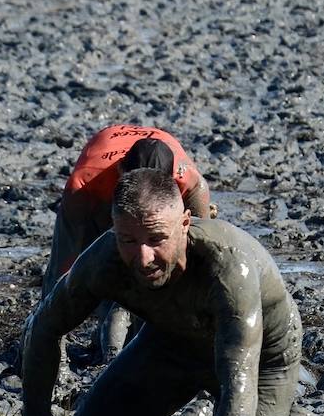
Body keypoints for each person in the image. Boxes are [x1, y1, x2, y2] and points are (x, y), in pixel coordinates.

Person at [14, 168, 307, 416]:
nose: (143, 258)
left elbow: (239, 381)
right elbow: (42, 328)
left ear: (185, 224)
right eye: (128, 240)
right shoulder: (103, 261)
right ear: (114, 229)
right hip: (173, 343)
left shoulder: (227, 267)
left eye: (157, 239)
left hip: (262, 360)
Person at [43, 125, 215, 360]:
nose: (143, 202)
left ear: (171, 182)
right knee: (95, 262)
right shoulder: (84, 185)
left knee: (187, 257)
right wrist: (51, 343)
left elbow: (202, 257)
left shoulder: (190, 181)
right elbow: (63, 265)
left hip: (164, 181)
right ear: (120, 170)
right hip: (101, 192)